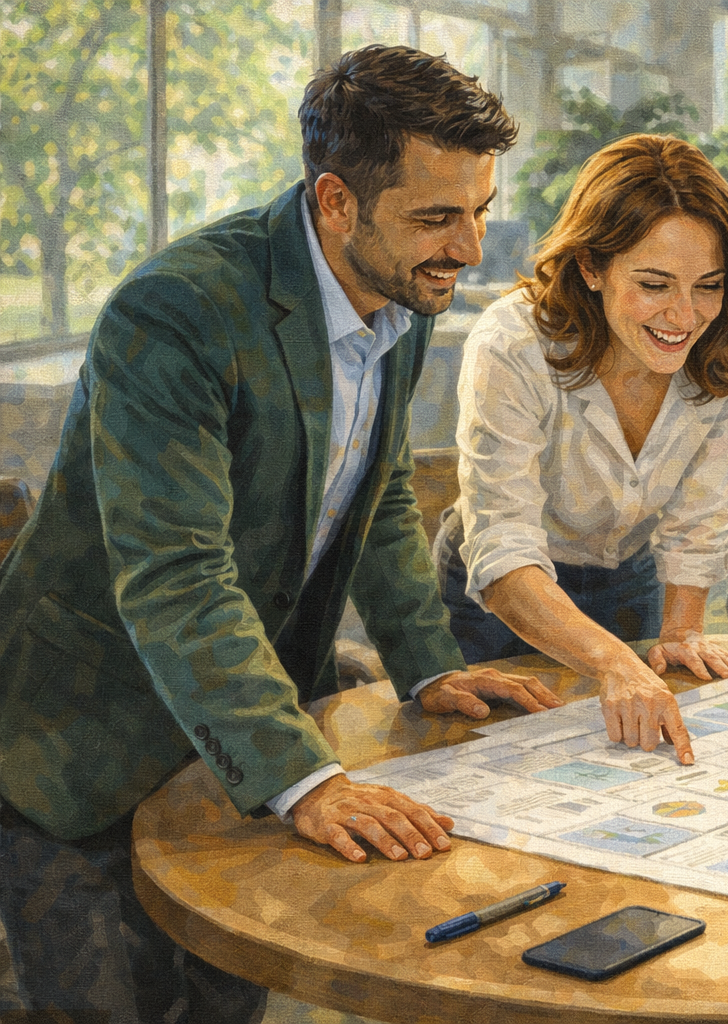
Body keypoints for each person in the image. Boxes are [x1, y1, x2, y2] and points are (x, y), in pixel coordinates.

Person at [0, 45, 567, 1022]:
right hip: (88, 747)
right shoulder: (175, 311)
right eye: (438, 217)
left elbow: (378, 490)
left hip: (246, 749)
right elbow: (176, 574)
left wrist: (428, 663)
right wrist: (304, 778)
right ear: (337, 202)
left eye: (479, 211)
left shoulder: (404, 288)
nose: (470, 248)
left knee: (226, 1003)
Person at [435, 134, 728, 767]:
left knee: (638, 767)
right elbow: (502, 543)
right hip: (503, 594)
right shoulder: (513, 341)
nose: (684, 315)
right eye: (653, 283)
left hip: (629, 575)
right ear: (592, 267)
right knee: (496, 772)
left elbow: (701, 512)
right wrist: (615, 660)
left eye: (708, 284)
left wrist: (682, 631)